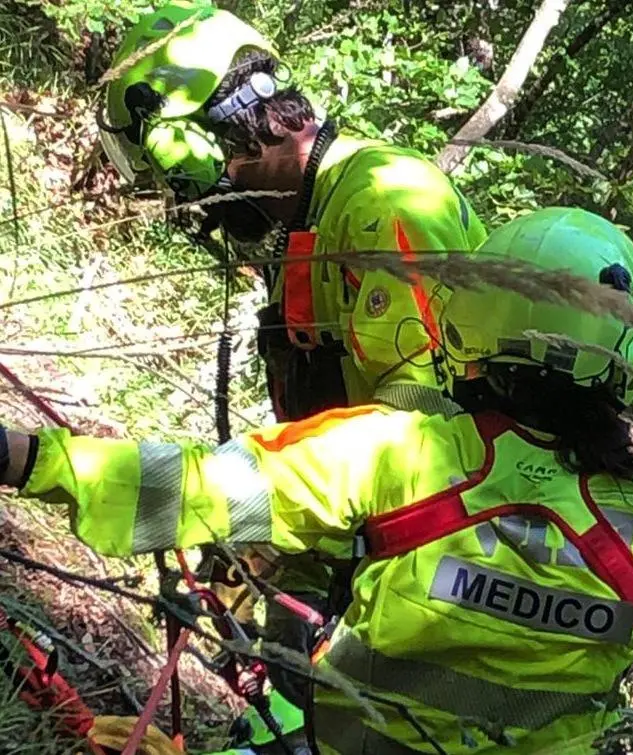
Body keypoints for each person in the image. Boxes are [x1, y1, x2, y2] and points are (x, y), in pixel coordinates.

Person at [3, 207, 633, 754]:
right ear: (632, 357)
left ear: (473, 315)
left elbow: (193, 490)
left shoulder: (394, 454)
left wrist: (25, 457)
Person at [99, 0, 488, 736]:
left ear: (188, 141)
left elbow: (419, 434)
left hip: (448, 573)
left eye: (166, 169)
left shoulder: (383, 200)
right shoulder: (304, 223)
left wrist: (260, 519)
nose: (183, 198)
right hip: (373, 548)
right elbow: (325, 424)